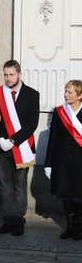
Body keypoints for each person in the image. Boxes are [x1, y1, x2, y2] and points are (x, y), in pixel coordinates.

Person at [0, 60, 40, 236]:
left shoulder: (32, 94)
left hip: (22, 146)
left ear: (20, 74)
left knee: (19, 185)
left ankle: (18, 220)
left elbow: (32, 123)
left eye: (11, 74)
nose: (8, 78)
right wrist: (1, 139)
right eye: (5, 74)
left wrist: (14, 140)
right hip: (1, 147)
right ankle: (7, 219)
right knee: (5, 185)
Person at [44, 80, 82, 240]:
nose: (66, 95)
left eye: (70, 92)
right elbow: (53, 139)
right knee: (66, 196)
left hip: (80, 163)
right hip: (62, 162)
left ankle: (80, 227)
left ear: (80, 95)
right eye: (65, 91)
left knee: (79, 197)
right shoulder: (60, 112)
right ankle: (71, 226)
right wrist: (48, 164)